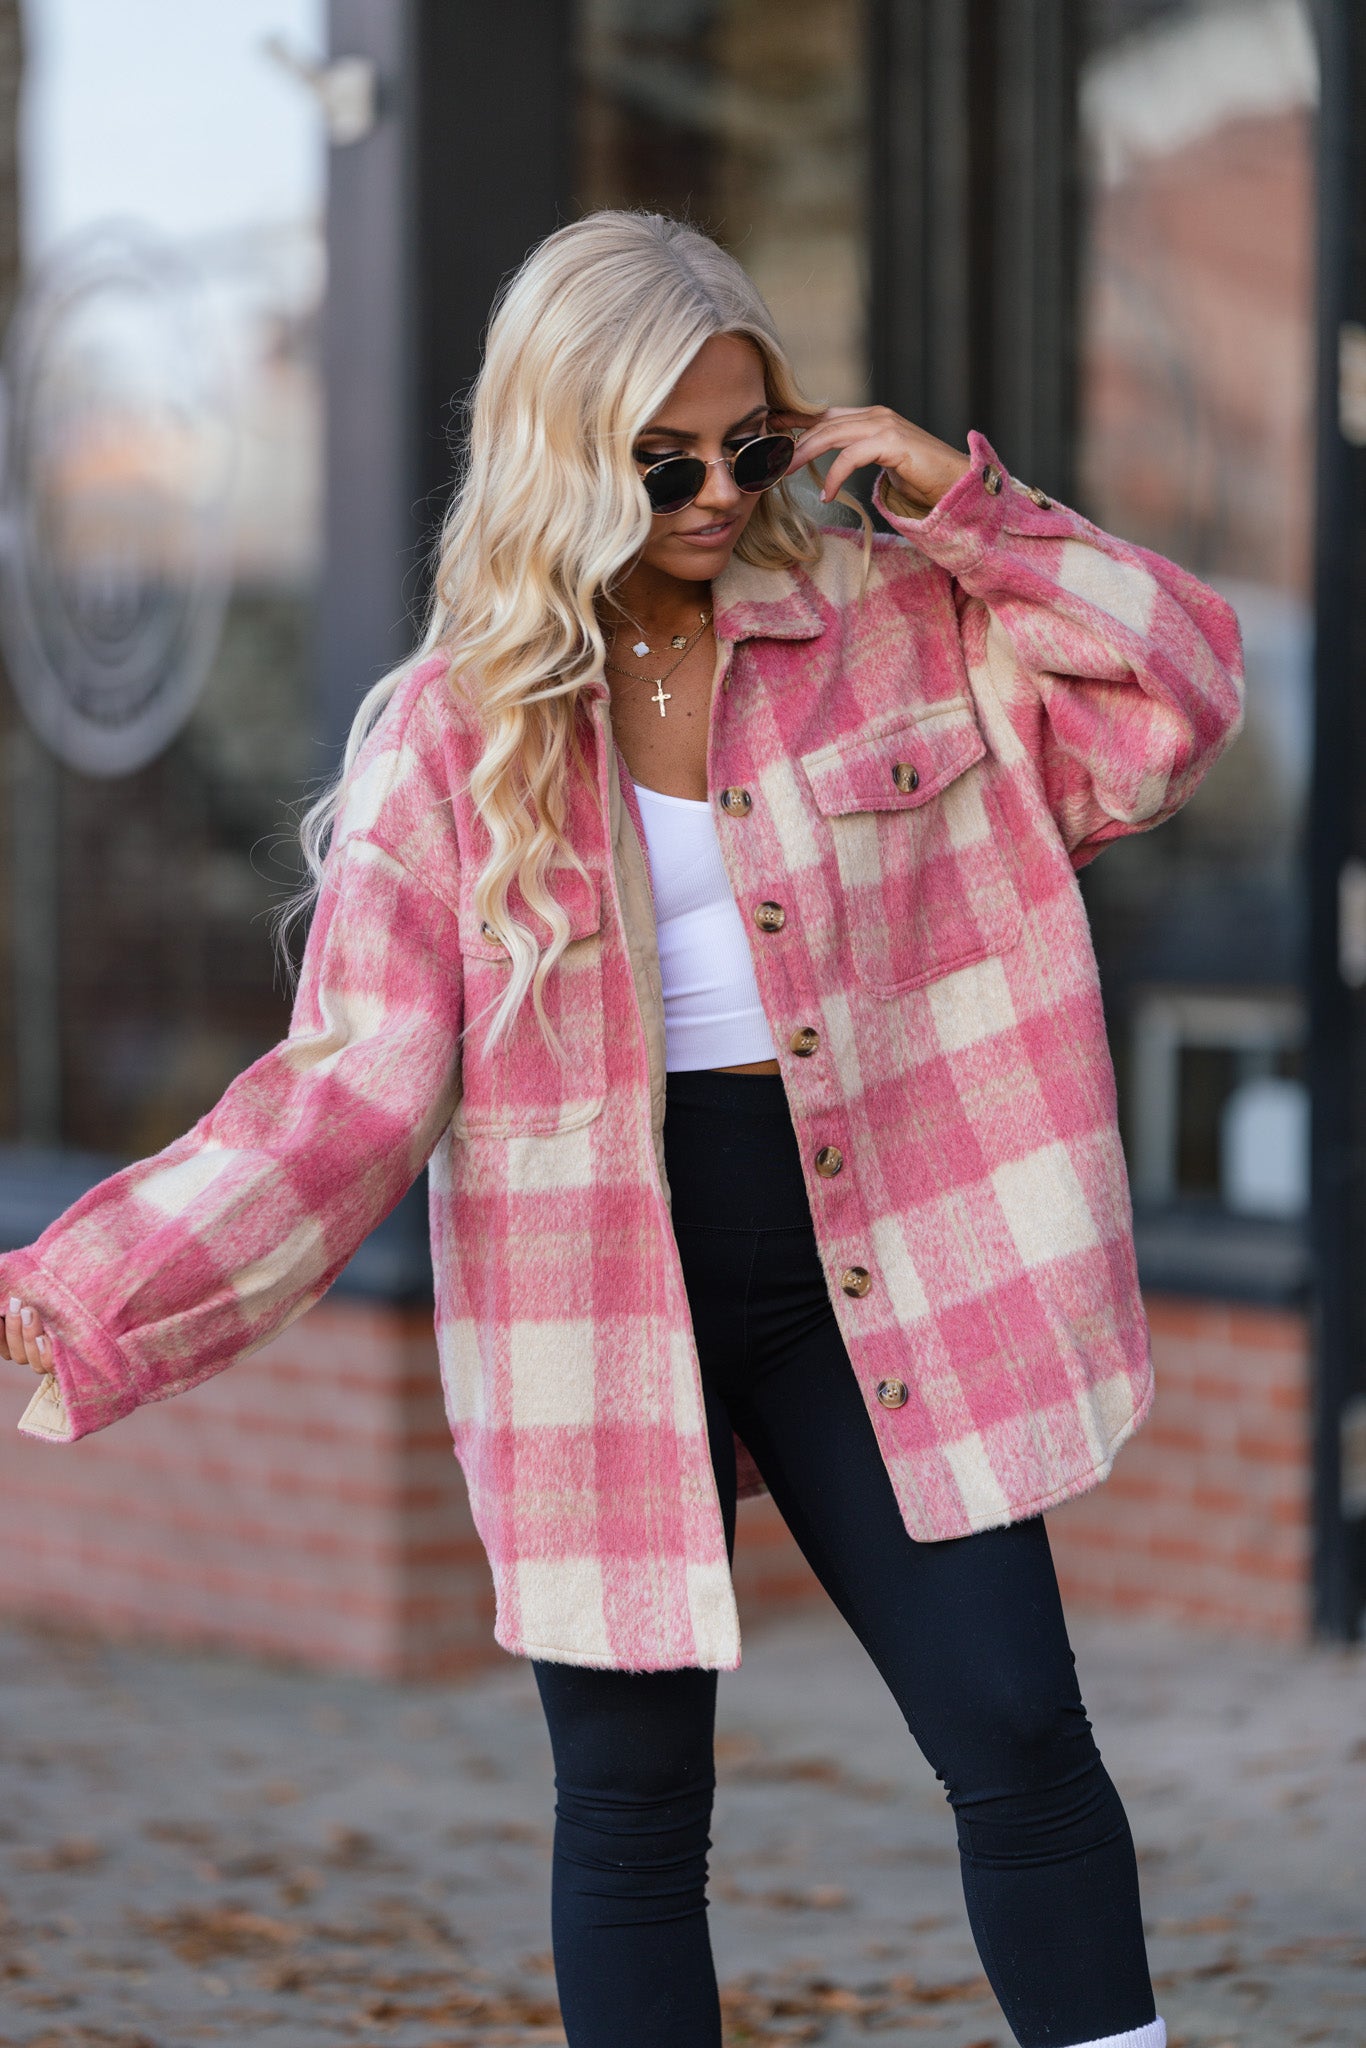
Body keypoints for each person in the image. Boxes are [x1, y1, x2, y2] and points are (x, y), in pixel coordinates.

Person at [0, 211, 1242, 2048]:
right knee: (637, 1808)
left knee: (1013, 1727)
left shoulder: (900, 624)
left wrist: (969, 511)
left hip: (878, 1260)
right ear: (562, 452)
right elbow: (346, 1086)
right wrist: (79, 1294)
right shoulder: (456, 733)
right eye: (664, 462)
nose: (719, 494)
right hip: (597, 1294)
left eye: (752, 444)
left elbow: (1178, 696)